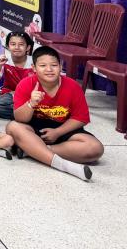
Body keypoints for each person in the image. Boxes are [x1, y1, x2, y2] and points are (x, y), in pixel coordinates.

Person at [6, 46, 104, 180]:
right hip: (33, 128)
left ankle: (32, 150)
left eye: (54, 65)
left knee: (95, 148)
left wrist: (57, 132)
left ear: (60, 66)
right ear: (34, 68)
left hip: (62, 128)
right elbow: (19, 118)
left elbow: (81, 118)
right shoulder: (25, 84)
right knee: (13, 127)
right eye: (43, 65)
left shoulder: (73, 86)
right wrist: (31, 103)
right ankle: (65, 166)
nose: (49, 69)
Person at [0, 31, 34, 119]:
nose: (17, 47)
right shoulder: (4, 60)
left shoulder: (34, 62)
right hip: (9, 95)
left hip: (29, 97)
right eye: (13, 44)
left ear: (28, 47)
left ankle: (23, 115)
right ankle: (23, 115)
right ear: (8, 46)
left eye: (21, 44)